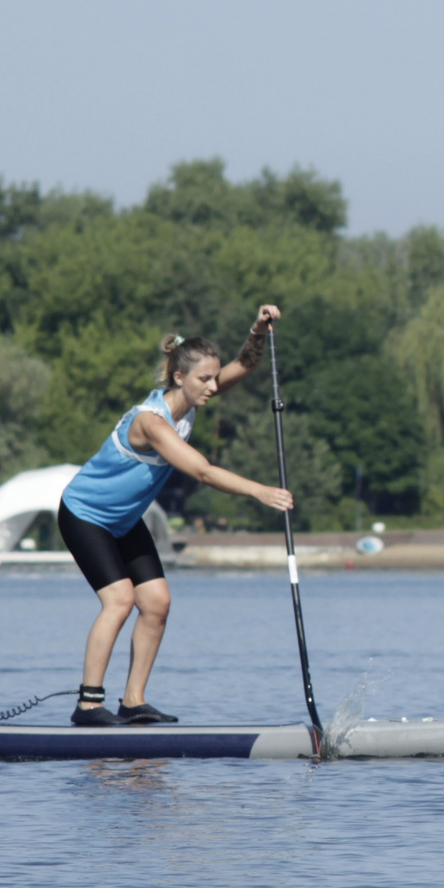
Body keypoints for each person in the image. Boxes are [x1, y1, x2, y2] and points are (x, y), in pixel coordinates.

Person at [56, 305, 294, 725]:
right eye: (205, 379)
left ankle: (133, 702)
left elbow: (246, 364)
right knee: (120, 600)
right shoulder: (152, 423)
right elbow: (202, 471)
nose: (212, 386)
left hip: (124, 521)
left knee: (158, 603)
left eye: (214, 378)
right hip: (85, 515)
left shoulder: (193, 398)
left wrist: (257, 330)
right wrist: (260, 491)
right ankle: (88, 706)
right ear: (179, 377)